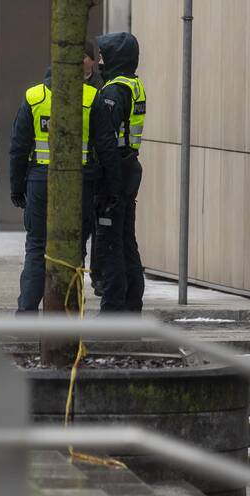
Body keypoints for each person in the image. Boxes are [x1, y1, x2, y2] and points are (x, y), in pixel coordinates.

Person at [9, 62, 120, 313]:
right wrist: (110, 190)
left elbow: (18, 147)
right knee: (74, 248)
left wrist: (17, 188)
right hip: (79, 183)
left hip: (39, 182)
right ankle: (67, 314)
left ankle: (26, 313)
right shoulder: (91, 97)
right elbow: (107, 148)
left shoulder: (34, 97)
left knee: (37, 247)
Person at [95, 32, 146, 312]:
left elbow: (106, 139)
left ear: (116, 57)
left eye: (104, 55)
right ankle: (131, 305)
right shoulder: (134, 84)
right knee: (126, 241)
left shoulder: (114, 91)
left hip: (116, 173)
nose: (100, 60)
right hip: (129, 169)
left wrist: (108, 186)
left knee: (111, 243)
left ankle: (113, 310)